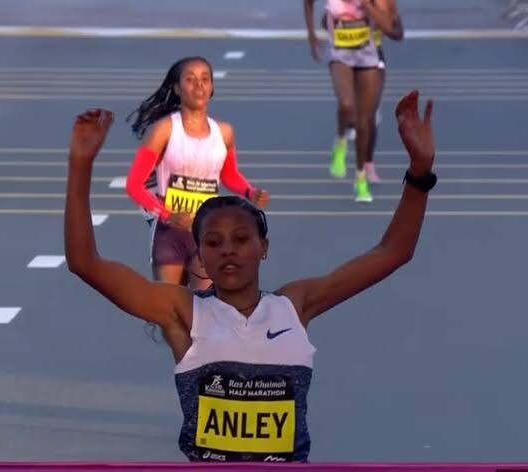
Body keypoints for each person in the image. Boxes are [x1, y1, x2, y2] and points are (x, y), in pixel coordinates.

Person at [64, 89, 436, 463]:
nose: (228, 249)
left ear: (264, 248)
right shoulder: (183, 312)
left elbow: (393, 252)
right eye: (213, 242)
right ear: (200, 258)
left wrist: (420, 171)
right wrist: (80, 164)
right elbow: (85, 263)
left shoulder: (294, 306)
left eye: (241, 239)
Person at [124, 56, 269, 290]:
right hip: (169, 233)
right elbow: (133, 185)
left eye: (205, 79)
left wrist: (250, 192)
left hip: (206, 232)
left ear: (212, 87)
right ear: (177, 88)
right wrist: (168, 215)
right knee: (170, 309)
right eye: (190, 80)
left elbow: (229, 174)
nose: (198, 85)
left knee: (205, 305)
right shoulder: (163, 130)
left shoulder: (224, 133)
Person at [303, 0, 404, 203]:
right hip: (340, 53)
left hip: (368, 54)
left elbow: (395, 31)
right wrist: (312, 35)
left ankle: (361, 178)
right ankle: (340, 143)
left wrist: (368, 7)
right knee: (347, 104)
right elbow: (309, 4)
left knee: (364, 122)